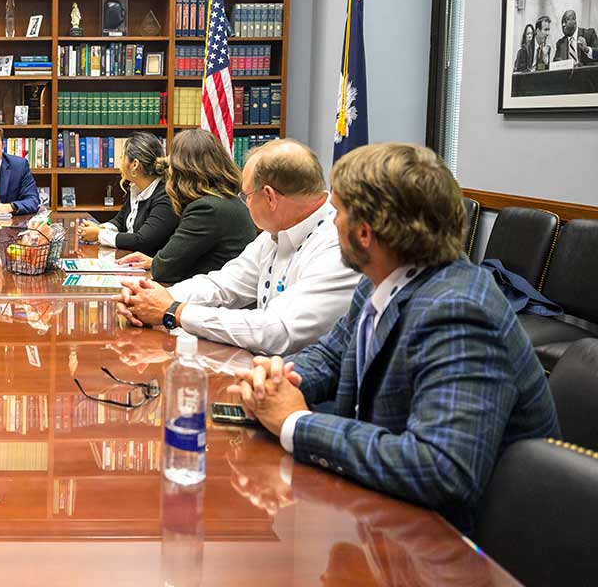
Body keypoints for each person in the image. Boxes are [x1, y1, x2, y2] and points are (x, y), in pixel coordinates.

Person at [227, 143, 558, 532]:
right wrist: (279, 379)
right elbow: (333, 355)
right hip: (380, 511)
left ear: (364, 233)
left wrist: (296, 423)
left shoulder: (460, 312)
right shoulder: (382, 282)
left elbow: (439, 468)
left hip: (457, 544)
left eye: (338, 210)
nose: (331, 222)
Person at [116, 138, 358, 356]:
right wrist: (148, 297)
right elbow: (224, 284)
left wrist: (175, 311)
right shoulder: (274, 233)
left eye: (247, 195)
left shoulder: (338, 246)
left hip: (302, 387)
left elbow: (277, 330)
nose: (245, 203)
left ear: (270, 197)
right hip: (260, 368)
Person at [114, 128, 258, 284]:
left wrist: (157, 264)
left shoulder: (206, 209)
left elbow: (164, 270)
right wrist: (154, 261)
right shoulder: (225, 200)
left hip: (212, 301)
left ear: (183, 169)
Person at [76, 132, 180, 256]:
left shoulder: (166, 197)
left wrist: (99, 234)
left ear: (134, 165)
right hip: (129, 260)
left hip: (150, 270)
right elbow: (120, 221)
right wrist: (99, 228)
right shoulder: (135, 189)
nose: (120, 162)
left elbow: (142, 240)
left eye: (122, 157)